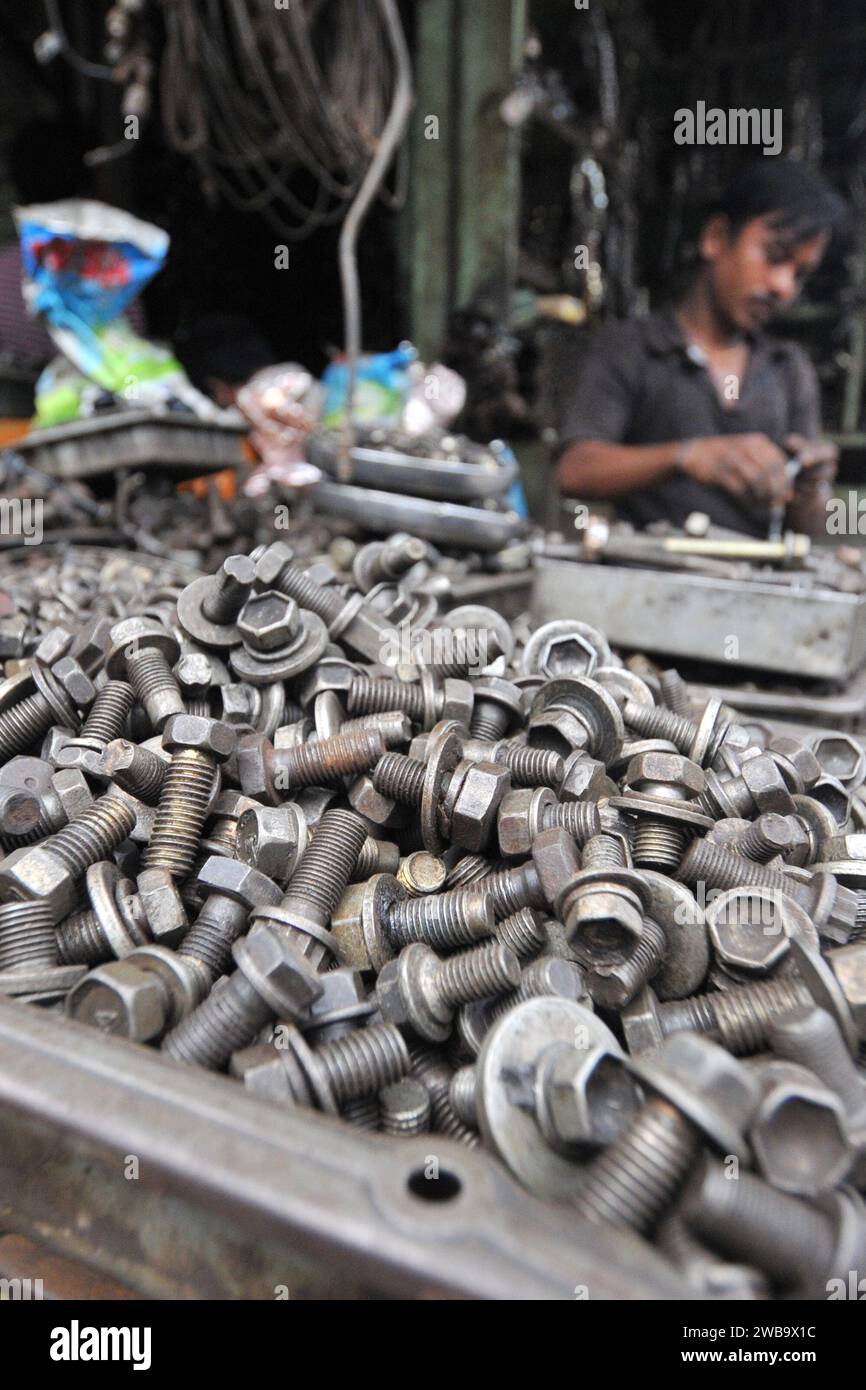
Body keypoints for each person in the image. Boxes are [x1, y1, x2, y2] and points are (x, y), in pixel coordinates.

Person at [556, 160, 848, 537]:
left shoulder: (788, 369)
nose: (784, 287)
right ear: (716, 238)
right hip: (642, 581)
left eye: (800, 274)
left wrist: (812, 486)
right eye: (775, 256)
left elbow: (807, 530)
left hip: (753, 587)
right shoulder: (632, 348)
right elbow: (574, 471)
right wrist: (687, 456)